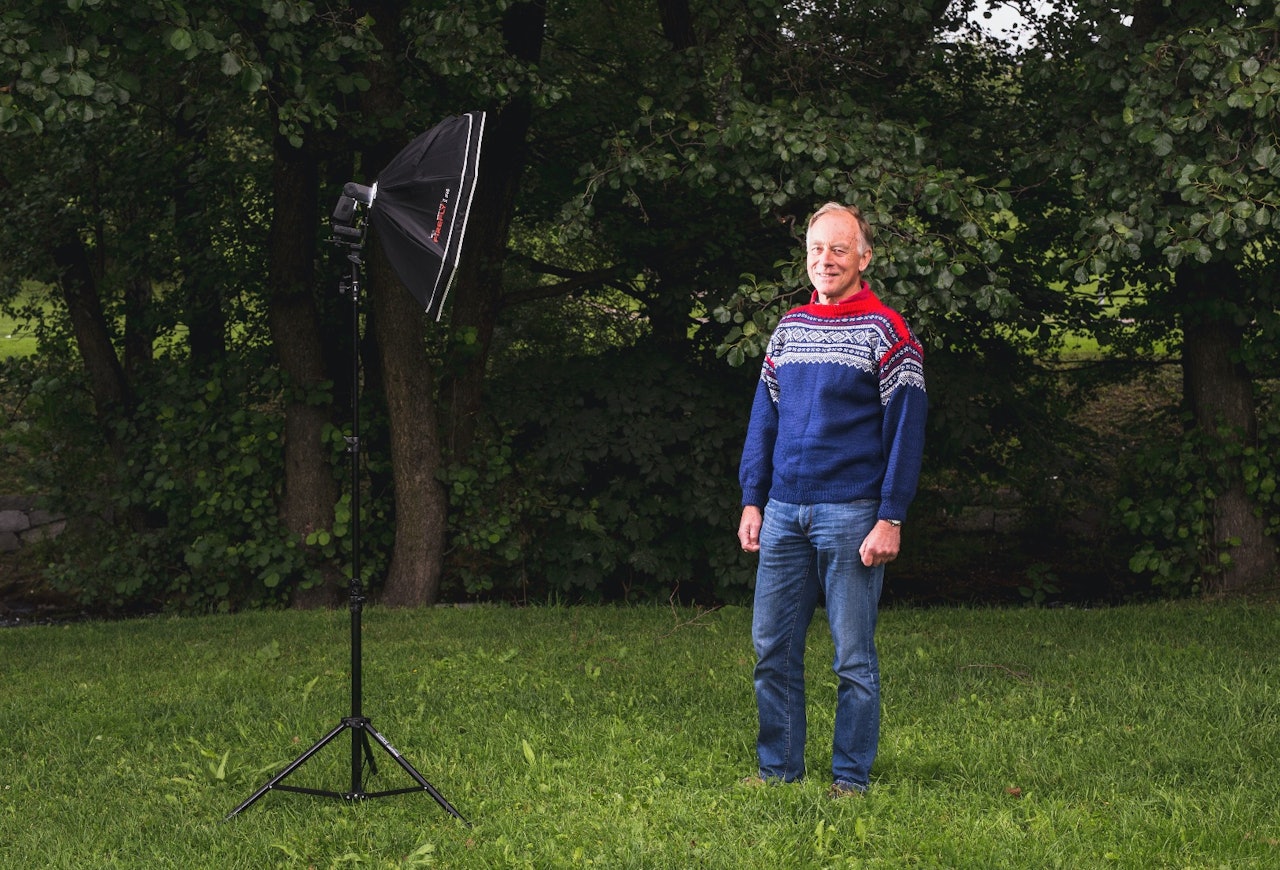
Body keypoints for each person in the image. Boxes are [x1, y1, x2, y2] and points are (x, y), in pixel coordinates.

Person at [737, 202, 927, 796]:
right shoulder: (789, 328)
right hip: (786, 509)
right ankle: (779, 772)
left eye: (839, 249)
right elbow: (762, 420)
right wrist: (753, 498)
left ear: (864, 258)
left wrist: (890, 515)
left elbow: (906, 432)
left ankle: (850, 779)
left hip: (852, 513)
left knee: (852, 658)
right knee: (772, 648)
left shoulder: (888, 332)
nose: (826, 260)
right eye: (817, 249)